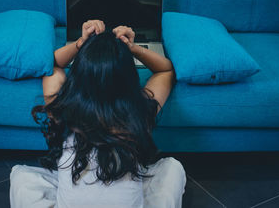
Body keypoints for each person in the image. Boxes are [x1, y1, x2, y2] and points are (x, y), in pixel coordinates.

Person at [10, 20, 186, 208]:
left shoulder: (62, 110)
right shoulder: (138, 113)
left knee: (20, 176)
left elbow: (51, 65)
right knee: (172, 167)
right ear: (128, 78)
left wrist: (80, 43)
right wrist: (132, 48)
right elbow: (166, 69)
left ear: (78, 76)